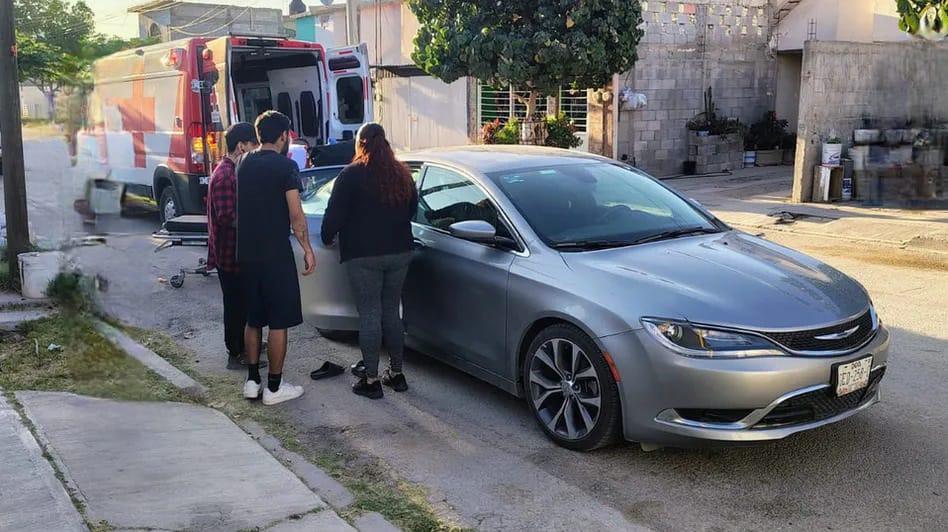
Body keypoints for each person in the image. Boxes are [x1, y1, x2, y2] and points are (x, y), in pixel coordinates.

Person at [321, 122, 418, 399]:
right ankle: (397, 375)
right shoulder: (402, 174)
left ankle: (371, 380)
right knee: (391, 311)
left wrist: (327, 238)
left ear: (360, 143)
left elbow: (334, 215)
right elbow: (412, 209)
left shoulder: (350, 175)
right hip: (400, 251)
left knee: (370, 314)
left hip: (363, 254)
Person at [237, 111, 316, 405]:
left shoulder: (244, 163)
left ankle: (252, 380)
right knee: (279, 320)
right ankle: (274, 387)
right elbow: (296, 215)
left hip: (246, 251)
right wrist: (307, 248)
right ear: (283, 136)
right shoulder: (286, 167)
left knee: (254, 318)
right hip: (274, 253)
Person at [206, 122, 265, 370]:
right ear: (241, 146)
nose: (255, 151)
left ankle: (244, 343)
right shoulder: (225, 176)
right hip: (230, 254)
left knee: (241, 302)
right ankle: (237, 350)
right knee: (235, 305)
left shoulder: (232, 172)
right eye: (253, 146)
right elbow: (228, 216)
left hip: (233, 252)